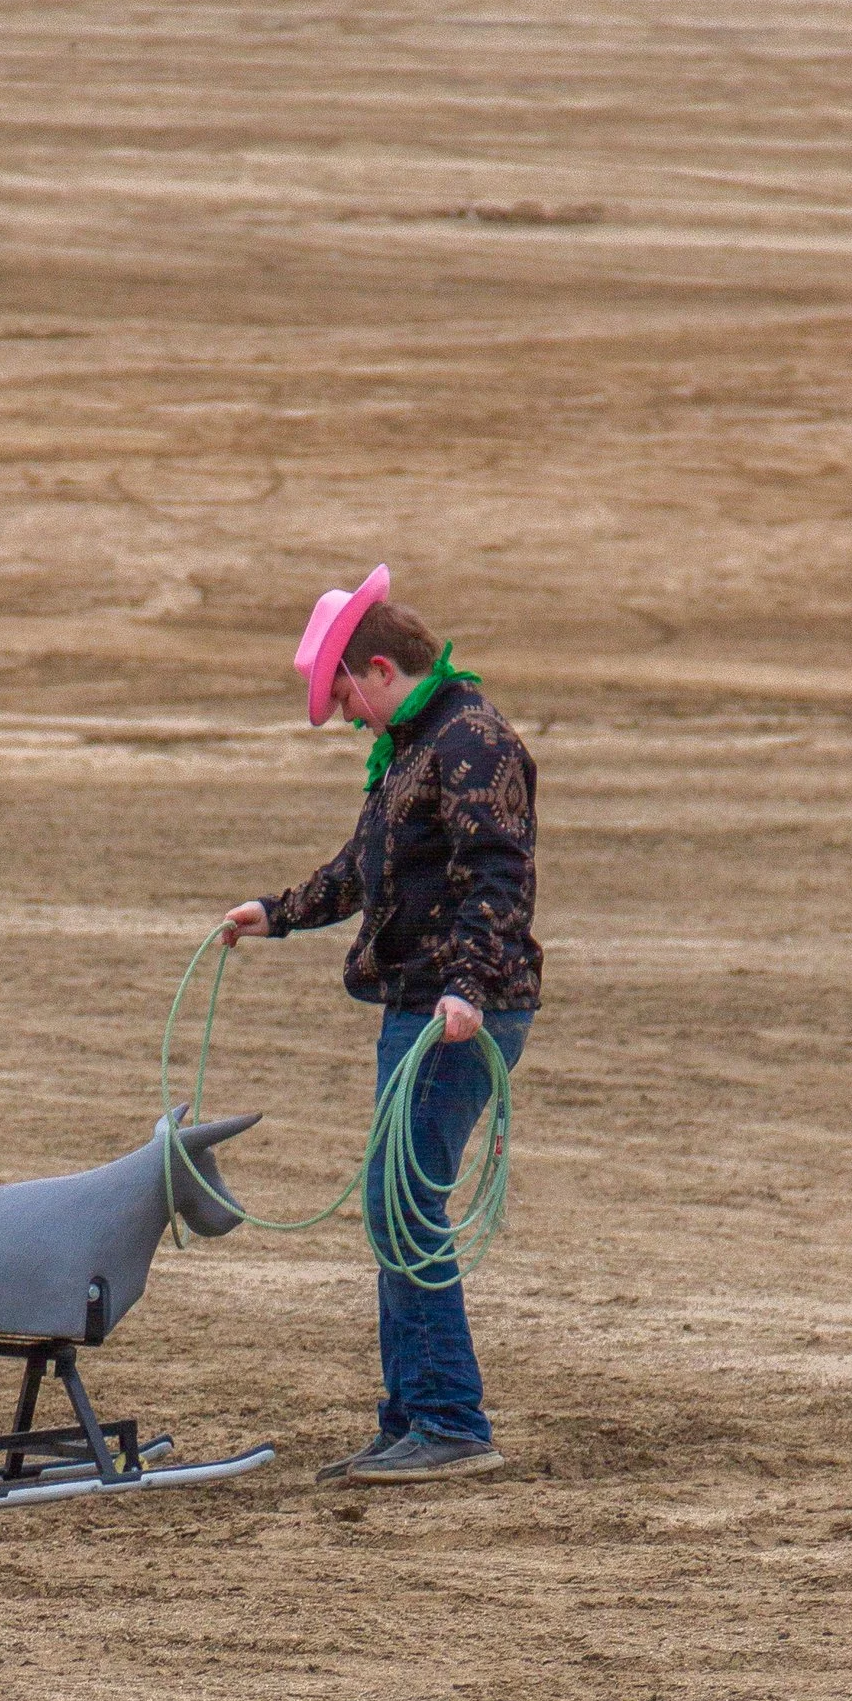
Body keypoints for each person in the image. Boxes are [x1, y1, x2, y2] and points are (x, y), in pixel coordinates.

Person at [222, 567, 540, 1483]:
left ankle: (447, 1420)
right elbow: (367, 865)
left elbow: (498, 872)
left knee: (401, 1204)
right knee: (396, 1203)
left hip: (454, 1011)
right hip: (426, 1005)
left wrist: (467, 987)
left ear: (378, 670)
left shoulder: (470, 741)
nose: (347, 718)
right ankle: (414, 1418)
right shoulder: (423, 743)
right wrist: (279, 912)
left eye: (344, 697)